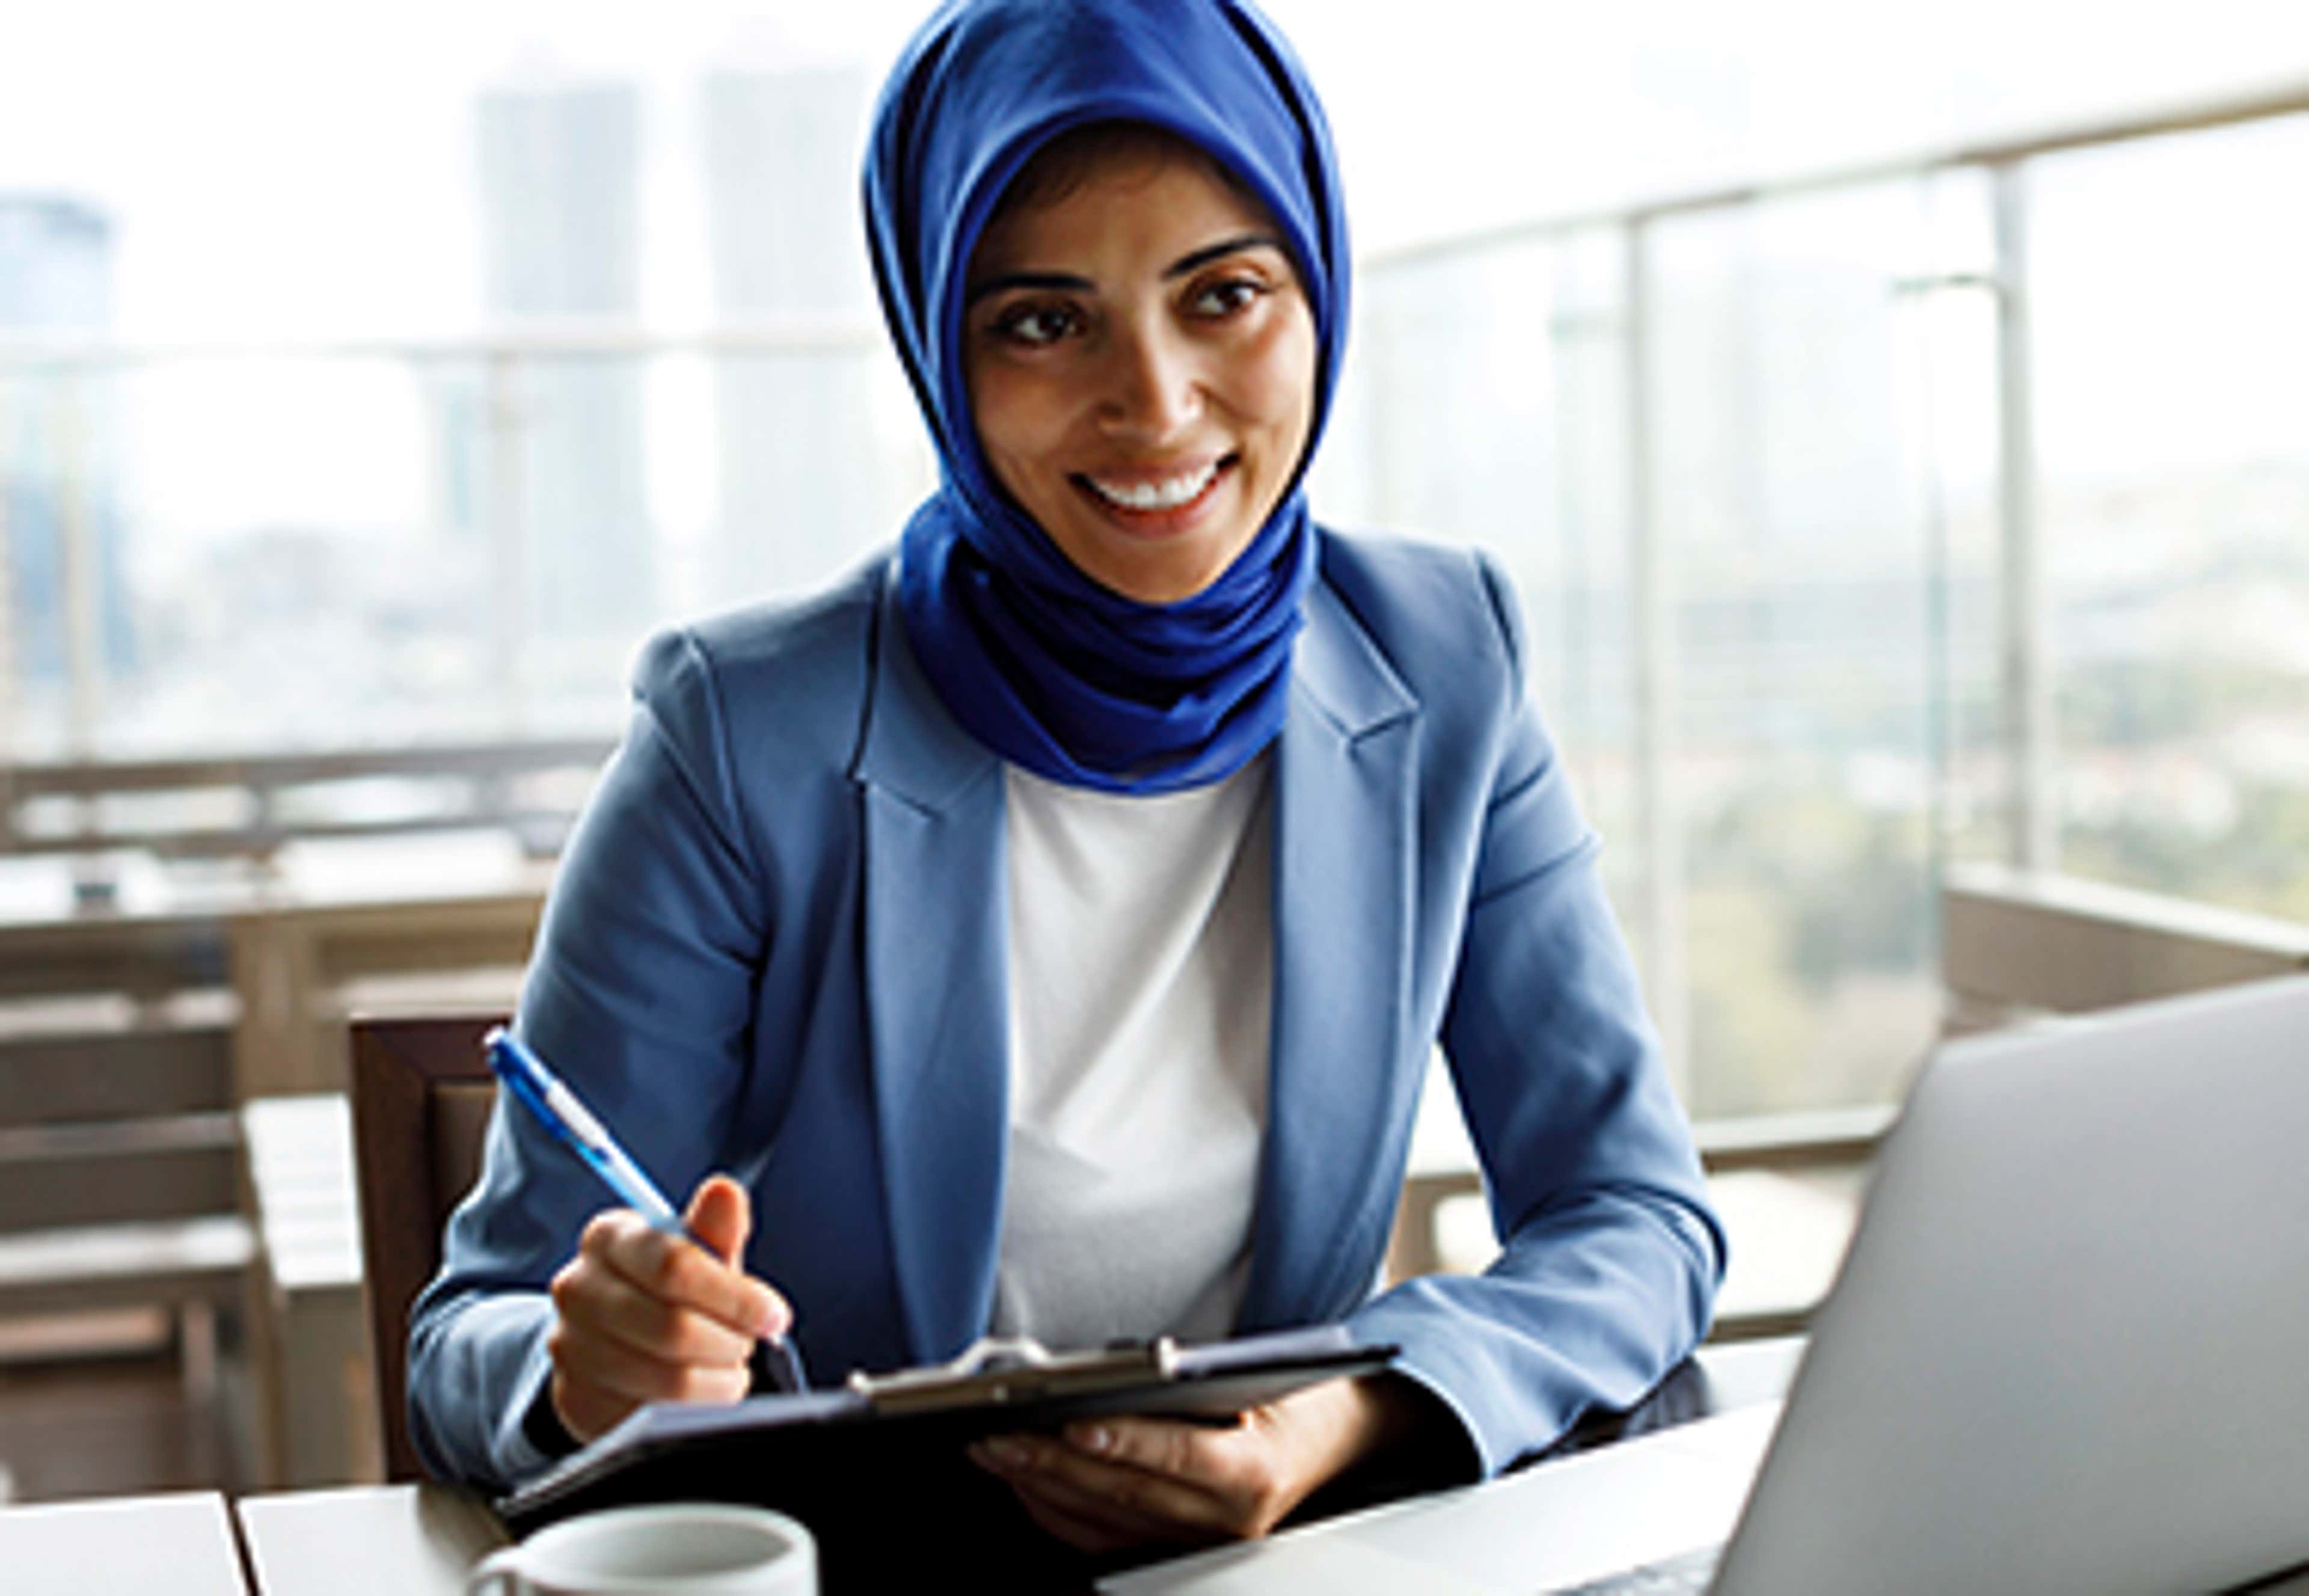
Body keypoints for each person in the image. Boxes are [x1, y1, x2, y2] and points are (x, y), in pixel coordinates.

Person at [409, 0, 1723, 1574]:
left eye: (1223, 295)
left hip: (1277, 1564)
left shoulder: (1445, 664)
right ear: (936, 347)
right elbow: (469, 1336)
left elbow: (1635, 1220)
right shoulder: (739, 737)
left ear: (1318, 294)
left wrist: (1352, 1418)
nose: (1157, 403)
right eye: (1043, 320)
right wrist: (582, 1375)